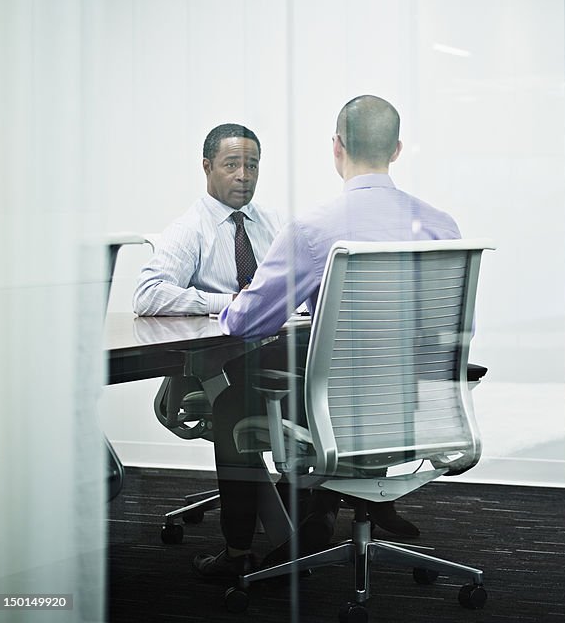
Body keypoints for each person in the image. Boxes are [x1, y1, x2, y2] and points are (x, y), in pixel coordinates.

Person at [193, 95, 461, 578]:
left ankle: (238, 552)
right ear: (397, 150)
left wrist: (236, 301)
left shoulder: (314, 230)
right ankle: (320, 509)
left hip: (337, 410)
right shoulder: (442, 227)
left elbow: (245, 323)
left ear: (336, 147)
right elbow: (452, 337)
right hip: (414, 406)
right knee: (326, 370)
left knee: (234, 400)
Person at [133, 123, 280, 316]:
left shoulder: (276, 223)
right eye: (231, 165)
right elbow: (147, 295)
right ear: (207, 167)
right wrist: (232, 301)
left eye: (251, 166)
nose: (244, 176)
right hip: (220, 341)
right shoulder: (189, 228)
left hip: (278, 335)